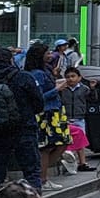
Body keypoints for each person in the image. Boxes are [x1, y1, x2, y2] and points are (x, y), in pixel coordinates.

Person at [0, 41, 46, 192]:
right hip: (24, 128)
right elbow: (39, 103)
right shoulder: (23, 77)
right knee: (31, 170)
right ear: (11, 60)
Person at [23, 41, 70, 185]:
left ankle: (40, 173)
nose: (50, 55)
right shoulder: (37, 73)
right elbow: (39, 96)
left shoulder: (45, 70)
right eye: (47, 53)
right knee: (47, 146)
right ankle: (41, 177)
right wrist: (57, 89)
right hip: (47, 113)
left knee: (61, 143)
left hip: (55, 110)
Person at [59, 66, 98, 171]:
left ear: (79, 78)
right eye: (68, 77)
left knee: (80, 142)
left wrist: (93, 89)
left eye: (73, 76)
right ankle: (68, 162)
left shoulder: (84, 89)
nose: (70, 79)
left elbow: (92, 99)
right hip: (66, 118)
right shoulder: (62, 89)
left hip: (79, 118)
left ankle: (82, 163)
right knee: (67, 141)